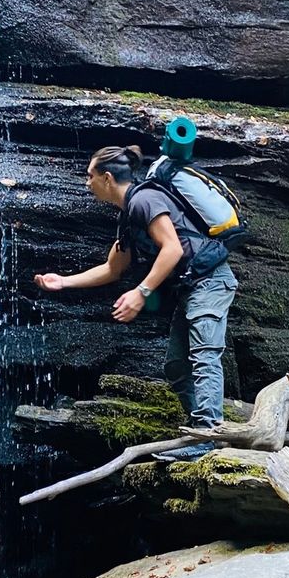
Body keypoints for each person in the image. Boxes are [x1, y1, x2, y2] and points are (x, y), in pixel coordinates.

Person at [34, 143, 237, 461]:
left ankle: (209, 437)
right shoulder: (128, 216)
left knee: (204, 357)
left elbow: (172, 249)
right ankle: (200, 433)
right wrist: (63, 281)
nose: (86, 183)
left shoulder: (145, 199)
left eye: (90, 176)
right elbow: (112, 269)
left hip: (210, 282)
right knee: (177, 366)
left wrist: (141, 293)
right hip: (192, 289)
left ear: (107, 178)